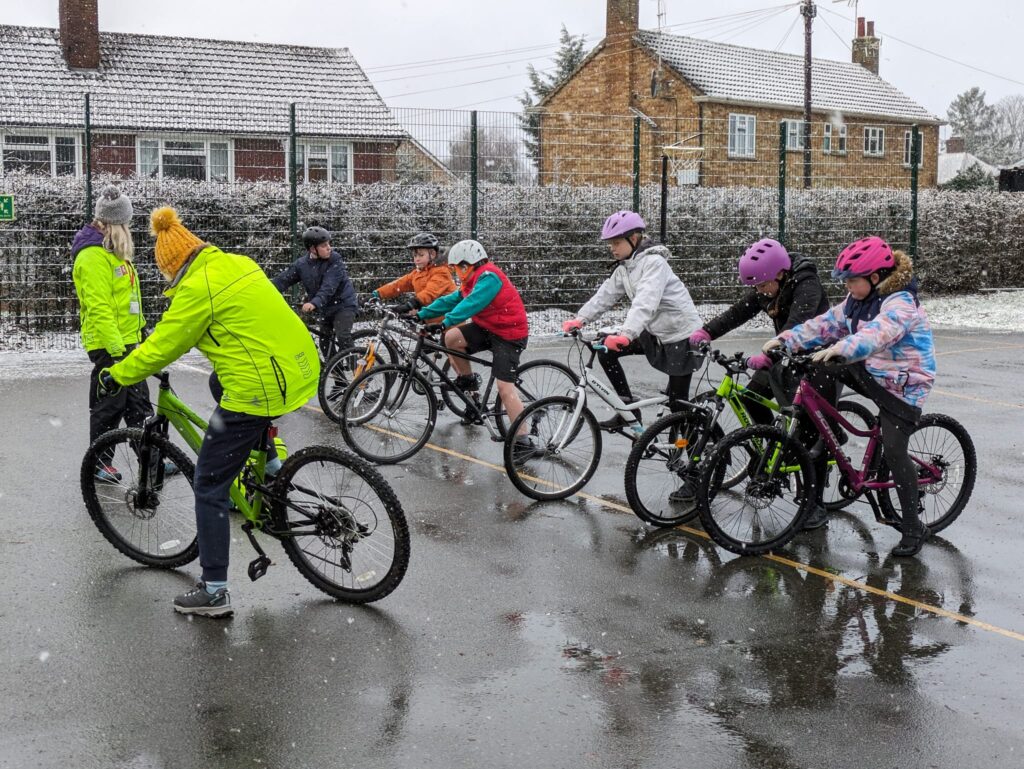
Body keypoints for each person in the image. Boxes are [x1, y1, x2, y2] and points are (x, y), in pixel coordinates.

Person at [99, 207, 320, 617]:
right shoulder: (236, 262)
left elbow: (164, 345)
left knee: (208, 483)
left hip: (263, 386)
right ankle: (271, 468)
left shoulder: (195, 290)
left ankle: (215, 590)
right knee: (220, 381)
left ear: (172, 268)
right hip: (301, 366)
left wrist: (120, 374)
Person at [764, 236, 936, 557]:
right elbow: (826, 323)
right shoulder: (857, 299)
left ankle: (914, 527)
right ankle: (827, 429)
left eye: (853, 281)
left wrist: (842, 348)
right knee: (816, 369)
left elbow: (878, 333)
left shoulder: (899, 303)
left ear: (875, 278)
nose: (849, 287)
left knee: (895, 451)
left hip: (904, 383)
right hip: (872, 370)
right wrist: (788, 339)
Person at [691, 238, 835, 529]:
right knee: (749, 396)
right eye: (755, 288)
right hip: (784, 356)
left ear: (780, 274)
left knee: (810, 432)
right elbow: (737, 313)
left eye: (761, 286)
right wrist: (706, 332)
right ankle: (773, 449)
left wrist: (770, 353)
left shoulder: (807, 285)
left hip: (818, 360)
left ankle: (815, 503)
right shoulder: (768, 285)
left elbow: (797, 325)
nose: (758, 292)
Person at [562, 211, 702, 430]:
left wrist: (627, 334)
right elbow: (604, 296)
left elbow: (646, 302)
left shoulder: (654, 264)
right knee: (606, 353)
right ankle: (628, 410)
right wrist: (581, 319)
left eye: (616, 242)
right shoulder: (625, 267)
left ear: (634, 239)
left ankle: (703, 453)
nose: (612, 248)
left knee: (678, 407)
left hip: (681, 337)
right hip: (656, 334)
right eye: (610, 243)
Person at [414, 239, 534, 452]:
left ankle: (523, 438)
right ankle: (467, 379)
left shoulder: (489, 277)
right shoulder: (470, 281)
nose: (456, 273)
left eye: (458, 268)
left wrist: (444, 322)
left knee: (505, 388)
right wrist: (419, 312)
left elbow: (472, 304)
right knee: (452, 339)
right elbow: (451, 300)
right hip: (488, 329)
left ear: (468, 265)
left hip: (509, 334)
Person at [72, 185, 153, 482]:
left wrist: (140, 332)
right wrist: (118, 349)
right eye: (126, 223)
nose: (129, 228)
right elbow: (99, 307)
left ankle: (152, 458)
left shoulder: (115, 252)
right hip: (108, 344)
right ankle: (98, 462)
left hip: (128, 341)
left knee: (139, 403)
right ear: (115, 224)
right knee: (109, 406)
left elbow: (129, 298)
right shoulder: (92, 256)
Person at [271, 226, 358, 358]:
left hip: (343, 304)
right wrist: (267, 290)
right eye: (324, 245)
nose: (329, 247)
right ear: (312, 249)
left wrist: (314, 303)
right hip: (325, 308)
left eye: (329, 244)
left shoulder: (335, 260)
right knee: (325, 343)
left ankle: (360, 374)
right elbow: (283, 280)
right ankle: (337, 375)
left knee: (343, 337)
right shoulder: (301, 264)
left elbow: (329, 286)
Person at [371, 232, 456, 317]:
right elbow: (398, 285)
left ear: (432, 254)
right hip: (427, 319)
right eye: (415, 256)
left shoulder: (442, 272)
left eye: (421, 255)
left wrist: (411, 304)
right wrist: (377, 294)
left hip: (447, 321)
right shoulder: (418, 273)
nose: (417, 259)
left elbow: (430, 293)